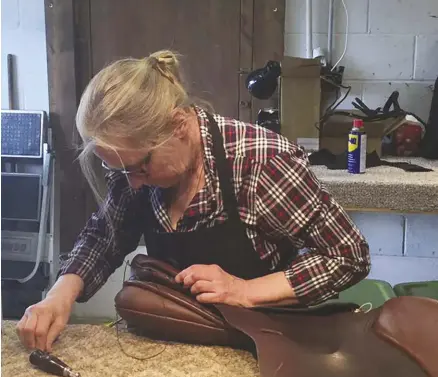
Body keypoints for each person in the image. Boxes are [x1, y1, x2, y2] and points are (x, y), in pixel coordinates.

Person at [17, 50, 371, 352]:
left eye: (141, 167)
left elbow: (347, 255)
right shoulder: (134, 167)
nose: (133, 185)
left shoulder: (260, 162)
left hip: (257, 344)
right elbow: (105, 236)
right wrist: (59, 295)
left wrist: (245, 290)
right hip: (169, 340)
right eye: (121, 171)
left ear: (178, 126)